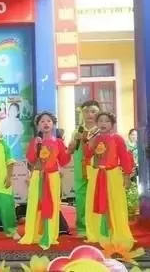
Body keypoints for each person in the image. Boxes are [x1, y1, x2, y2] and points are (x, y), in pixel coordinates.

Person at [19, 112, 71, 250]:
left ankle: (49, 235)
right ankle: (33, 234)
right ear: (38, 125)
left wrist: (70, 150)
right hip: (37, 176)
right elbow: (31, 159)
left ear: (53, 124)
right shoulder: (35, 141)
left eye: (49, 121)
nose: (46, 123)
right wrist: (35, 146)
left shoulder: (58, 142)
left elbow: (64, 161)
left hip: (53, 177)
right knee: (35, 205)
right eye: (42, 121)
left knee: (52, 205)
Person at [84, 112, 135, 244]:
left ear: (112, 124)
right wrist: (90, 143)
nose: (103, 124)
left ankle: (116, 233)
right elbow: (87, 155)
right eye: (100, 121)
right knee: (95, 203)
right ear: (96, 124)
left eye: (107, 121)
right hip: (97, 175)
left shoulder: (117, 138)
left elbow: (124, 157)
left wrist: (127, 175)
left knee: (115, 203)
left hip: (113, 175)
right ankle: (100, 233)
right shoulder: (94, 138)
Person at [67, 100, 100, 237]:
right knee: (81, 198)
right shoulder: (77, 131)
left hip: (96, 168)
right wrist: (76, 140)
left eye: (93, 111)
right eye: (86, 111)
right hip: (81, 169)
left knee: (97, 196)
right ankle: (82, 227)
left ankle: (97, 226)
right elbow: (70, 150)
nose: (89, 114)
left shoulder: (101, 130)